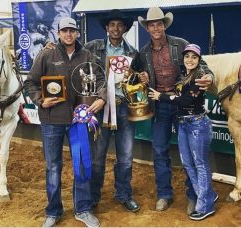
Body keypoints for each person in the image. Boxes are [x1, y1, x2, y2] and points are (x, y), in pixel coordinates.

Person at [23, 17, 106, 227]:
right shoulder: (46, 54)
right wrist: (41, 101)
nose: (68, 34)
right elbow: (30, 82)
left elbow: (102, 80)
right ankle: (53, 211)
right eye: (64, 31)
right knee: (53, 166)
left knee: (82, 165)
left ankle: (84, 209)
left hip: (80, 120)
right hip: (52, 120)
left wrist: (101, 98)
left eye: (72, 30)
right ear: (58, 33)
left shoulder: (88, 56)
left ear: (77, 32)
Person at [131, 7, 214, 213]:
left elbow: (202, 66)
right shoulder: (143, 52)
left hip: (183, 104)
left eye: (159, 23)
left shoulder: (180, 44)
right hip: (159, 104)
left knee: (192, 155)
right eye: (152, 25)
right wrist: (140, 76)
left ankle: (193, 195)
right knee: (160, 150)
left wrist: (209, 77)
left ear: (164, 25)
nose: (156, 27)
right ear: (147, 28)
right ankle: (164, 194)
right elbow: (132, 74)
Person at [148, 44, 218, 220]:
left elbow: (184, 100)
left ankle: (205, 206)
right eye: (187, 56)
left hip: (197, 124)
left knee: (200, 164)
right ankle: (206, 195)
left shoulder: (200, 76)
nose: (190, 60)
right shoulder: (183, 74)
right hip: (184, 123)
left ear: (199, 59)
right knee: (188, 164)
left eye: (194, 57)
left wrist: (161, 96)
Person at [84, 9, 140, 212]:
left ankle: (124, 194)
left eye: (120, 25)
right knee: (98, 157)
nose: (116, 28)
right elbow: (73, 59)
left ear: (124, 28)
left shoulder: (133, 52)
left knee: (125, 156)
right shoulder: (92, 48)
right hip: (100, 108)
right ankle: (93, 196)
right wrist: (53, 48)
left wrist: (140, 77)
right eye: (112, 25)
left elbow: (136, 80)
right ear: (106, 28)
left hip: (124, 107)